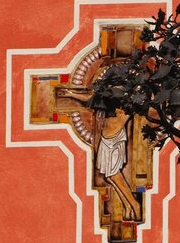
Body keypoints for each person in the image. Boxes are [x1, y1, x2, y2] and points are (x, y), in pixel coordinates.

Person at [58, 88, 141, 221]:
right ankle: (127, 206)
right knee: (110, 177)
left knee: (114, 175)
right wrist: (71, 94)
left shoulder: (128, 104)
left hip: (115, 141)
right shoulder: (108, 99)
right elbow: (90, 98)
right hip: (105, 140)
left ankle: (135, 204)